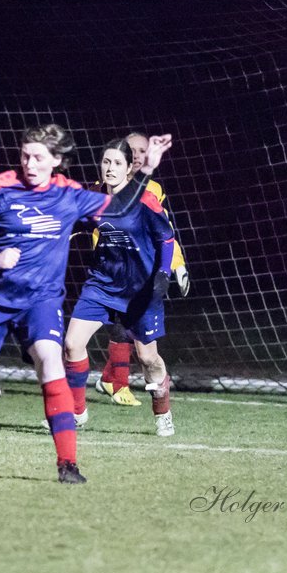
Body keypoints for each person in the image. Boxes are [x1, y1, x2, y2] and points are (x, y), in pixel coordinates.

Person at [0, 123, 170, 484]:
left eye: (38, 157)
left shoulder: (69, 195)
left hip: (40, 299)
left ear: (57, 160)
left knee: (53, 361)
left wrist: (144, 172)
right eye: (25, 156)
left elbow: (121, 209)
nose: (29, 164)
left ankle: (67, 465)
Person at [63, 137, 178, 436]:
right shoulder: (94, 199)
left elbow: (166, 238)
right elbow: (79, 224)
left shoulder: (144, 199)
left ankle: (162, 409)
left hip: (139, 291)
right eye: (106, 162)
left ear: (129, 169)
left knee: (148, 359)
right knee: (72, 344)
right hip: (101, 284)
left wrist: (164, 272)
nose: (110, 168)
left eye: (117, 163)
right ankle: (77, 413)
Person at [95, 132, 190, 407]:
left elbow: (164, 233)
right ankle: (113, 384)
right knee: (107, 329)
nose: (136, 155)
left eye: (141, 151)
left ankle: (112, 380)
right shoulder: (102, 186)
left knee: (136, 340)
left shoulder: (153, 191)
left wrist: (177, 266)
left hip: (140, 271)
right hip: (107, 269)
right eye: (131, 150)